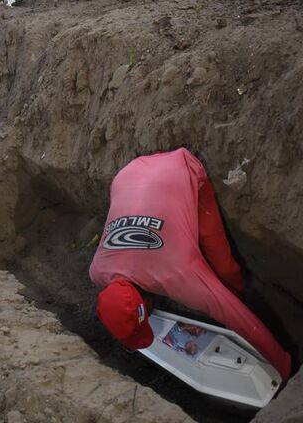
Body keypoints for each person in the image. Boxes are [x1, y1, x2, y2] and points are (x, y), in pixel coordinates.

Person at [88, 148, 292, 381]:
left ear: (146, 302)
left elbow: (244, 323)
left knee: (224, 269)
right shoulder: (98, 269)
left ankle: (241, 293)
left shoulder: (177, 273)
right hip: (128, 174)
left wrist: (283, 367)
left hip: (182, 166)